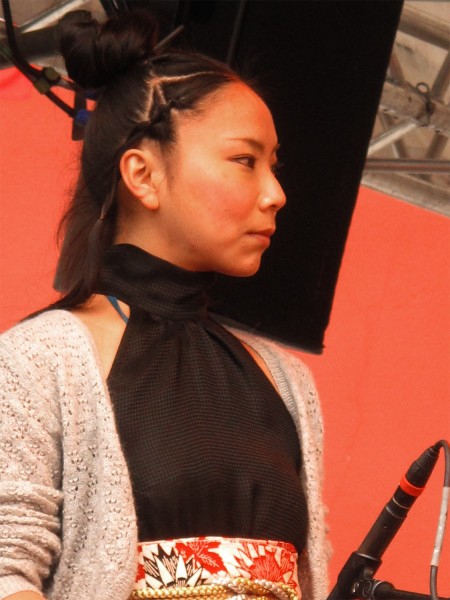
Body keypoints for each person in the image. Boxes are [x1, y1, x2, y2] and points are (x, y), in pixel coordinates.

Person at [0, 11, 329, 600]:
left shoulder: (288, 382)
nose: (276, 194)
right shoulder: (36, 361)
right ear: (143, 175)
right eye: (245, 160)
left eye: (273, 166)